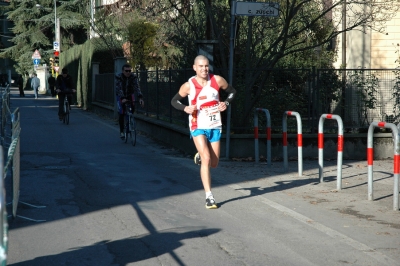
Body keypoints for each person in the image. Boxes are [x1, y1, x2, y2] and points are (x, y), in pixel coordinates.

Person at [170, 55, 237, 209]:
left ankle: (200, 155)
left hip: (214, 125)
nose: (204, 69)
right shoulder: (189, 85)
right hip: (197, 125)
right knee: (207, 159)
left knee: (214, 163)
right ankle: (209, 197)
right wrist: (185, 108)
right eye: (200, 66)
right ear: (195, 68)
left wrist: (225, 103)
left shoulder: (217, 80)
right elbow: (174, 101)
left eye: (206, 66)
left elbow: (232, 92)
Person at [115, 63, 144, 139]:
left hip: (130, 94)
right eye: (126, 71)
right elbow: (119, 88)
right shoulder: (119, 77)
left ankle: (129, 122)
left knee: (132, 109)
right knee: (121, 112)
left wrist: (140, 97)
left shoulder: (133, 77)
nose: (128, 72)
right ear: (122, 71)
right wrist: (122, 98)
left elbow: (137, 87)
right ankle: (121, 131)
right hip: (121, 95)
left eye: (129, 71)